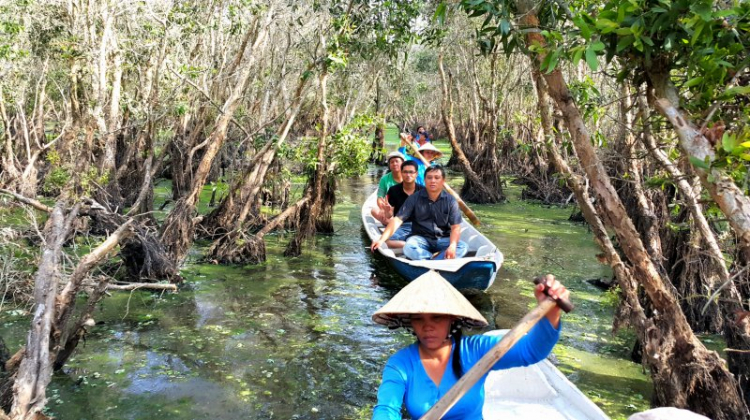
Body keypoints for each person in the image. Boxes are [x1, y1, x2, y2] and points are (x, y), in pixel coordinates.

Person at [371, 271, 568, 420]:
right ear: (410, 322)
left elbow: (532, 351)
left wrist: (551, 312)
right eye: (418, 318)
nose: (427, 326)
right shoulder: (401, 363)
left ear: (452, 319)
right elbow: (387, 408)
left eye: (437, 317)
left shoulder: (477, 350)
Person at [371, 166, 466, 260]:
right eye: (429, 178)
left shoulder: (450, 201)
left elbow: (455, 227)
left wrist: (452, 245)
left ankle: (430, 260)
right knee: (409, 247)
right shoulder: (414, 198)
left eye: (437, 178)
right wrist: (381, 240)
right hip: (420, 239)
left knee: (462, 246)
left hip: (443, 239)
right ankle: (434, 259)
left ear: (443, 181)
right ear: (424, 180)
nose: (433, 181)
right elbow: (397, 220)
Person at [381, 160, 424, 249]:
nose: (408, 175)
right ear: (401, 173)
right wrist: (387, 211)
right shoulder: (393, 190)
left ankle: (414, 244)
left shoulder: (423, 191)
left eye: (411, 172)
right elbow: (389, 216)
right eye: (405, 172)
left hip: (420, 226)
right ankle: (408, 245)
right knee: (384, 241)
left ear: (416, 174)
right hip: (401, 226)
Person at [371, 151, 405, 225]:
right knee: (374, 211)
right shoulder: (385, 179)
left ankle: (395, 224)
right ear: (389, 165)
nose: (394, 164)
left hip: (405, 210)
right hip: (390, 211)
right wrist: (383, 209)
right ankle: (395, 224)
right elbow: (380, 198)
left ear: (403, 164)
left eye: (397, 161)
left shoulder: (408, 176)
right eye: (392, 162)